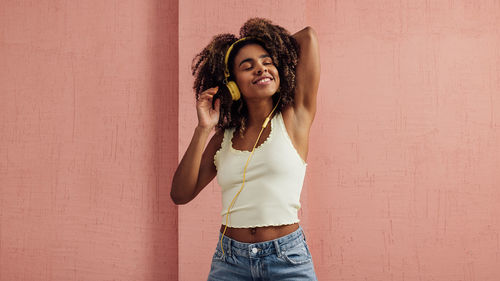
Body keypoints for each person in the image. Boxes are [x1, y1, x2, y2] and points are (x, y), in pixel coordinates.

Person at [171, 17, 320, 280]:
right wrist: (203, 129)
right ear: (232, 84)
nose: (261, 69)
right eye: (247, 66)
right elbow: (180, 194)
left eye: (266, 62)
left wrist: (278, 53)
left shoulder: (295, 117)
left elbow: (307, 37)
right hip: (230, 261)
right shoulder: (223, 138)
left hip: (287, 258)